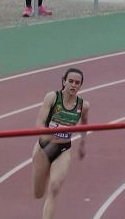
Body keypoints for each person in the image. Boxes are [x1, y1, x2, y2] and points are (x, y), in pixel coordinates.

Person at [32, 68, 89, 219]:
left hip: (63, 150)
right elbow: (39, 123)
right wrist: (47, 139)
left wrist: (83, 143)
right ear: (64, 81)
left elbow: (85, 125)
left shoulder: (83, 106)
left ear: (80, 86)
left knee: (55, 187)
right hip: (43, 148)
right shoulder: (52, 97)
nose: (73, 85)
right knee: (38, 193)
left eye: (77, 83)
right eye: (70, 81)